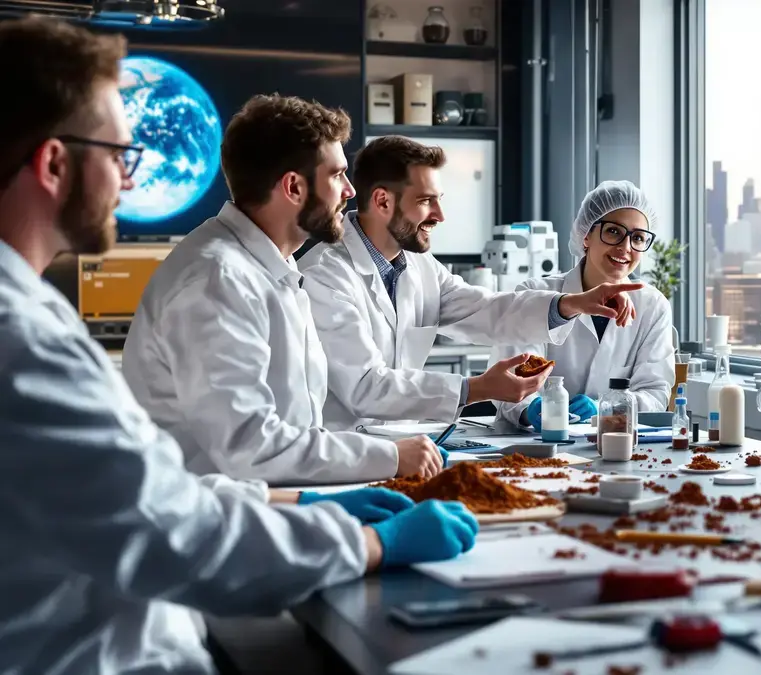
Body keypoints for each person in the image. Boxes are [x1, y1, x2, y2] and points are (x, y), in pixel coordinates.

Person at [0, 18, 477, 674]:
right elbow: (176, 522)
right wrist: (365, 541)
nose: (129, 183)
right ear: (55, 163)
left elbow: (164, 492)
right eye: (120, 157)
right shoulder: (31, 336)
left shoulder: (269, 271)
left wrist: (306, 502)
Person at [121, 97, 446, 484]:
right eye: (337, 175)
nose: (349, 191)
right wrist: (390, 456)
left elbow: (295, 426)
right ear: (293, 187)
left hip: (267, 497)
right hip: (215, 510)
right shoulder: (218, 279)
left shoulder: (275, 265)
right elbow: (250, 447)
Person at [298, 135, 644, 428]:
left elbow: (486, 310)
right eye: (425, 201)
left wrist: (571, 304)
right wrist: (476, 388)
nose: (440, 215)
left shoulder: (419, 266)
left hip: (399, 447)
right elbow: (365, 387)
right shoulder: (324, 275)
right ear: (382, 201)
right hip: (341, 453)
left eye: (439, 200)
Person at [491, 181, 675, 429]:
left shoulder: (652, 306)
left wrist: (607, 407)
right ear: (586, 235)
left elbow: (655, 392)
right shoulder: (535, 293)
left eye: (638, 238)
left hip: (613, 440)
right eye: (613, 231)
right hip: (535, 441)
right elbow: (511, 381)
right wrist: (532, 409)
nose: (625, 247)